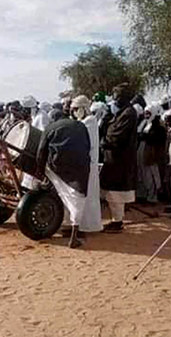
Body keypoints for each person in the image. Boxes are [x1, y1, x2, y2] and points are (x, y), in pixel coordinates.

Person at [34, 110, 91, 248]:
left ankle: (66, 227)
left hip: (58, 167)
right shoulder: (80, 125)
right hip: (80, 166)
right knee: (77, 197)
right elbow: (88, 146)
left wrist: (40, 173)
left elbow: (41, 151)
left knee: (63, 192)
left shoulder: (50, 128)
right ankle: (74, 234)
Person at [100, 83, 138, 233]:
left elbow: (116, 136)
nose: (114, 101)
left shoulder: (128, 113)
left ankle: (118, 222)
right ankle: (116, 220)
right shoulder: (121, 113)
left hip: (120, 159)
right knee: (112, 192)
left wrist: (104, 141)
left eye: (117, 98)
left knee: (117, 193)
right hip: (113, 158)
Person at [71, 95, 102, 234]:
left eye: (76, 109)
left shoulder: (90, 121)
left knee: (89, 196)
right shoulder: (84, 121)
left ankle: (88, 226)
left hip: (89, 163)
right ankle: (79, 224)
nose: (74, 112)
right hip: (82, 163)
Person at [136, 104, 167, 204]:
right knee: (142, 174)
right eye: (145, 113)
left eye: (148, 113)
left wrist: (145, 136)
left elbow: (155, 138)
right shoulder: (143, 123)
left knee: (151, 176)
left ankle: (152, 196)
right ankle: (143, 195)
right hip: (141, 151)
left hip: (151, 153)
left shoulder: (157, 125)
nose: (146, 115)